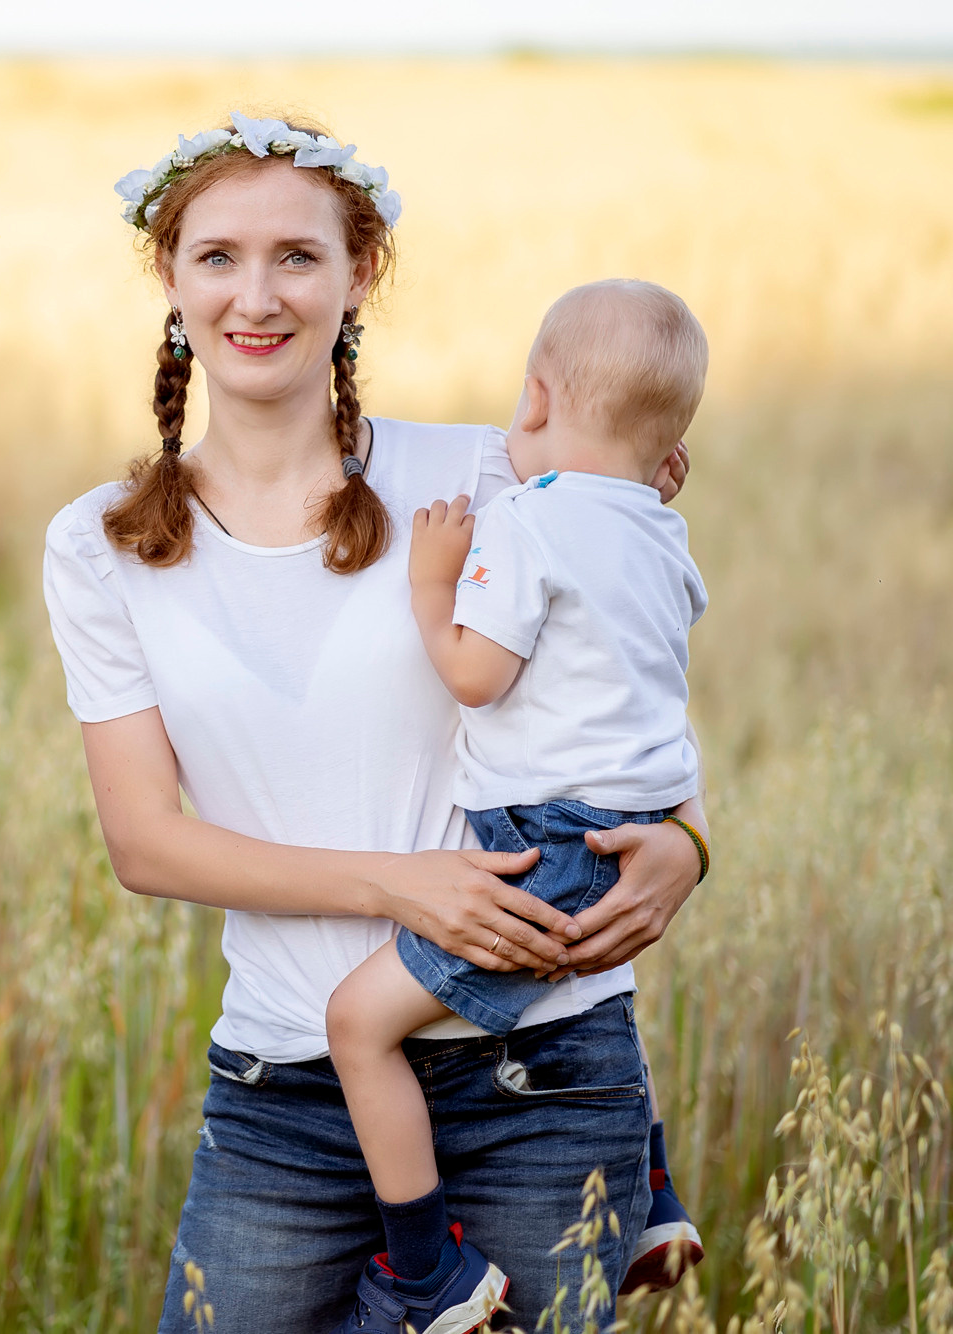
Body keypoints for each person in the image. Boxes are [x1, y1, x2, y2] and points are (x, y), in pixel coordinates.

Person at [44, 113, 707, 1330]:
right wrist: (404, 887)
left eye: (297, 256)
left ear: (358, 277)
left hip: (535, 1075)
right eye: (218, 256)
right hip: (281, 1089)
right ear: (169, 276)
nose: (257, 293)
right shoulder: (99, 544)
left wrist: (686, 838)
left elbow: (630, 680)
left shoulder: (492, 476)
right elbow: (146, 843)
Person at [322, 279, 713, 1329]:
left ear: (535, 400)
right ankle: (650, 1193)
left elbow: (474, 674)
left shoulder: (522, 522)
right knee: (590, 974)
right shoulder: (660, 533)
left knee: (357, 1023)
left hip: (540, 836)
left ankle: (423, 1270)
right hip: (633, 820)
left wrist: (432, 581)